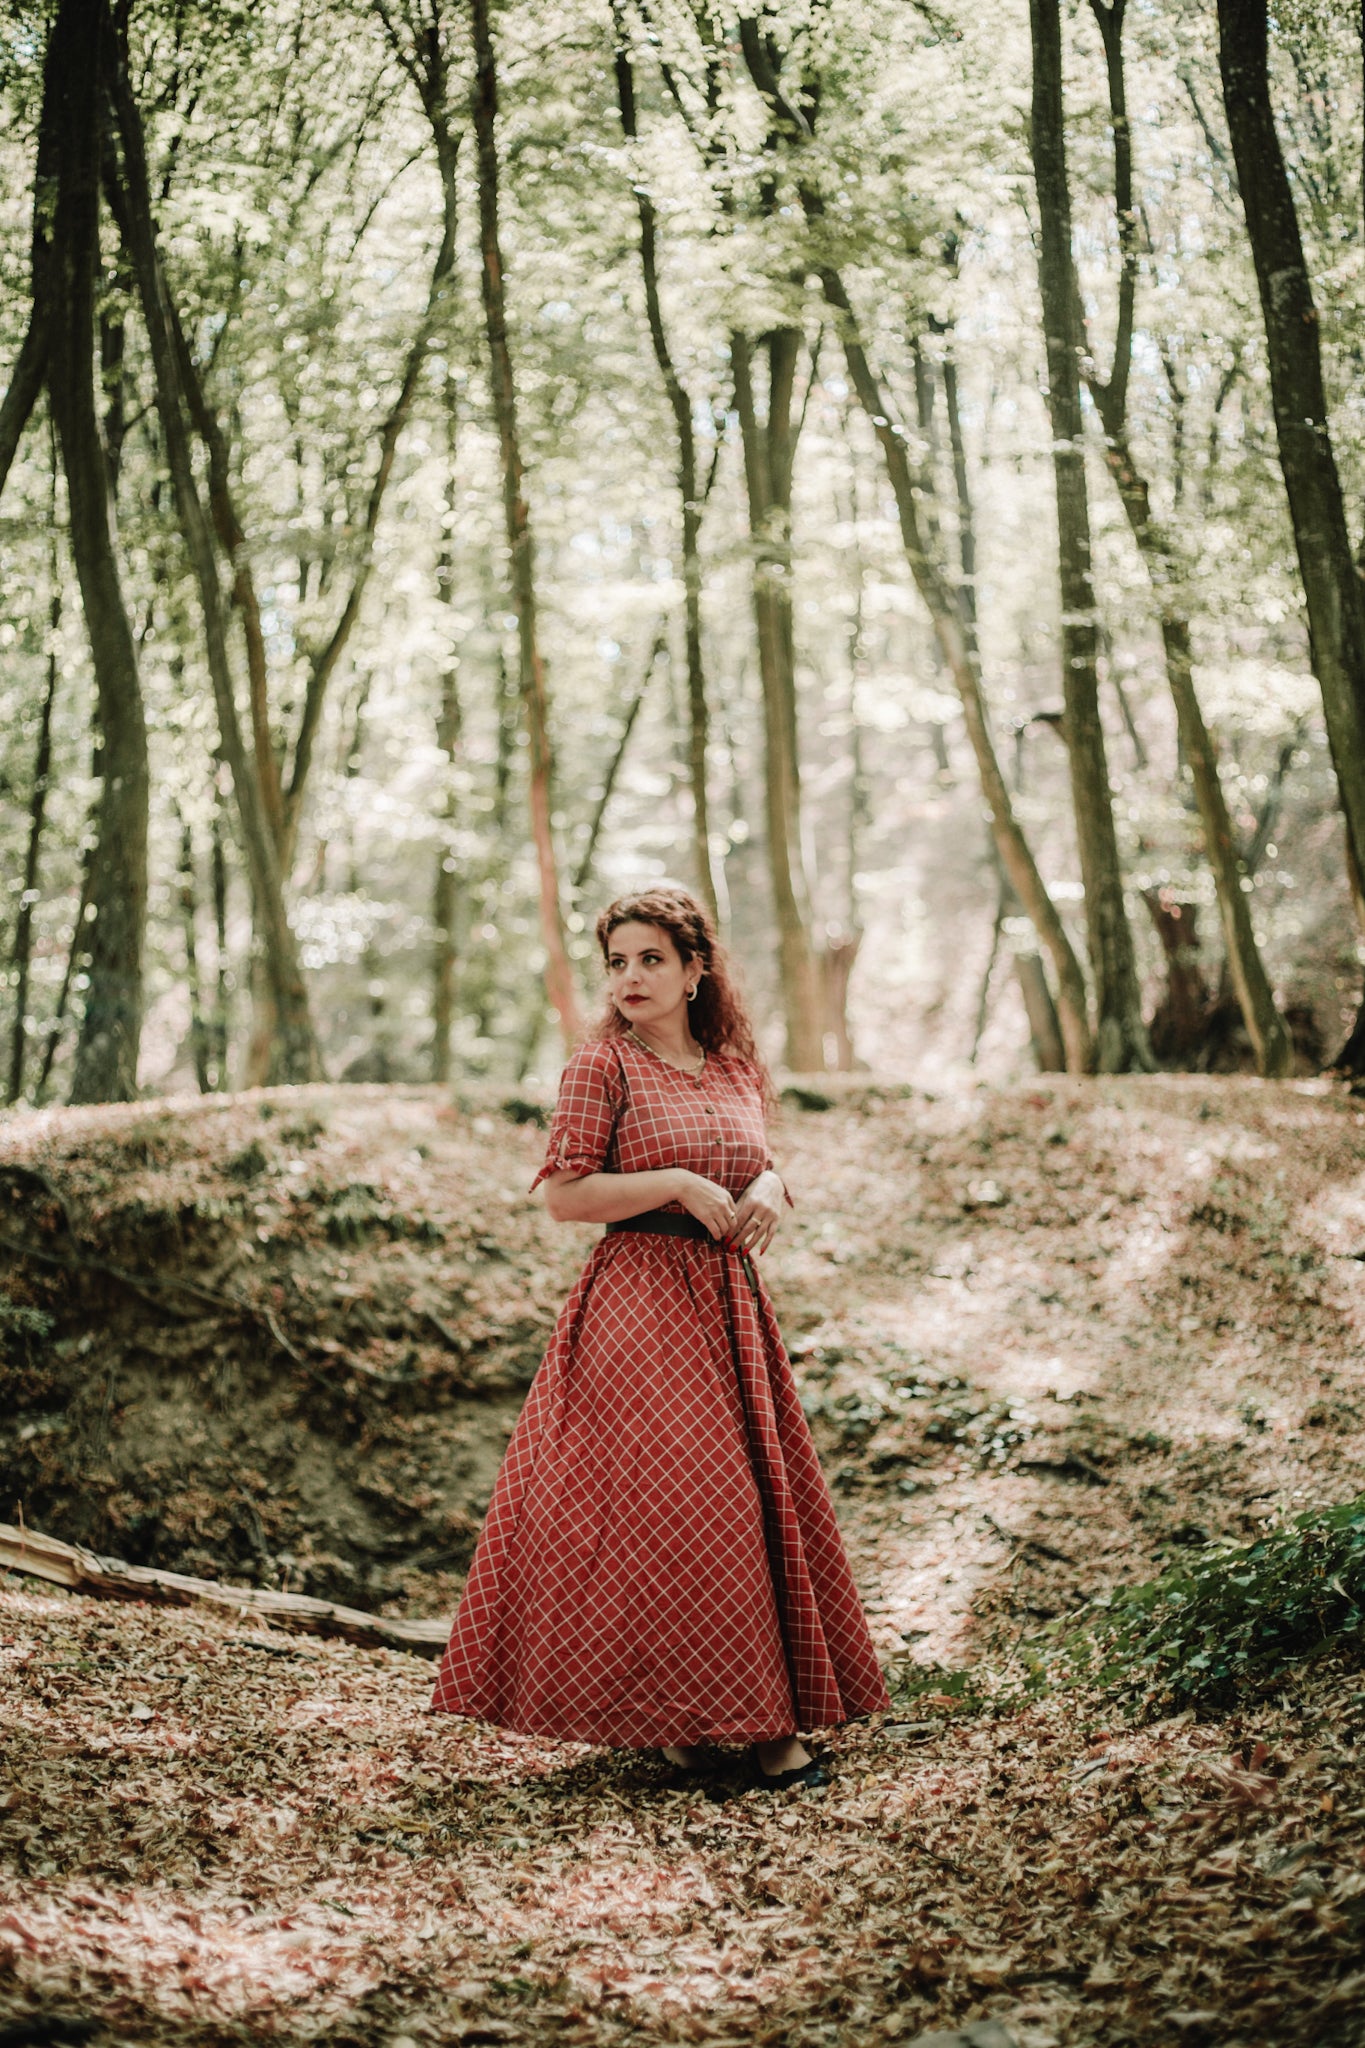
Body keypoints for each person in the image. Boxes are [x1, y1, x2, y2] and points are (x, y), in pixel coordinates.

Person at [430, 886, 889, 1787]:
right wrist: (673, 1181)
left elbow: (753, 1160)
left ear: (694, 970)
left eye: (650, 959)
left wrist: (769, 1185)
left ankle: (695, 1726)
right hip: (639, 1310)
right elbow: (566, 1195)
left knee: (739, 1507)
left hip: (729, 1308)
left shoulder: (731, 1068)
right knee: (689, 1507)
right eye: (617, 962)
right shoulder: (601, 1067)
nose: (631, 977)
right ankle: (761, 1740)